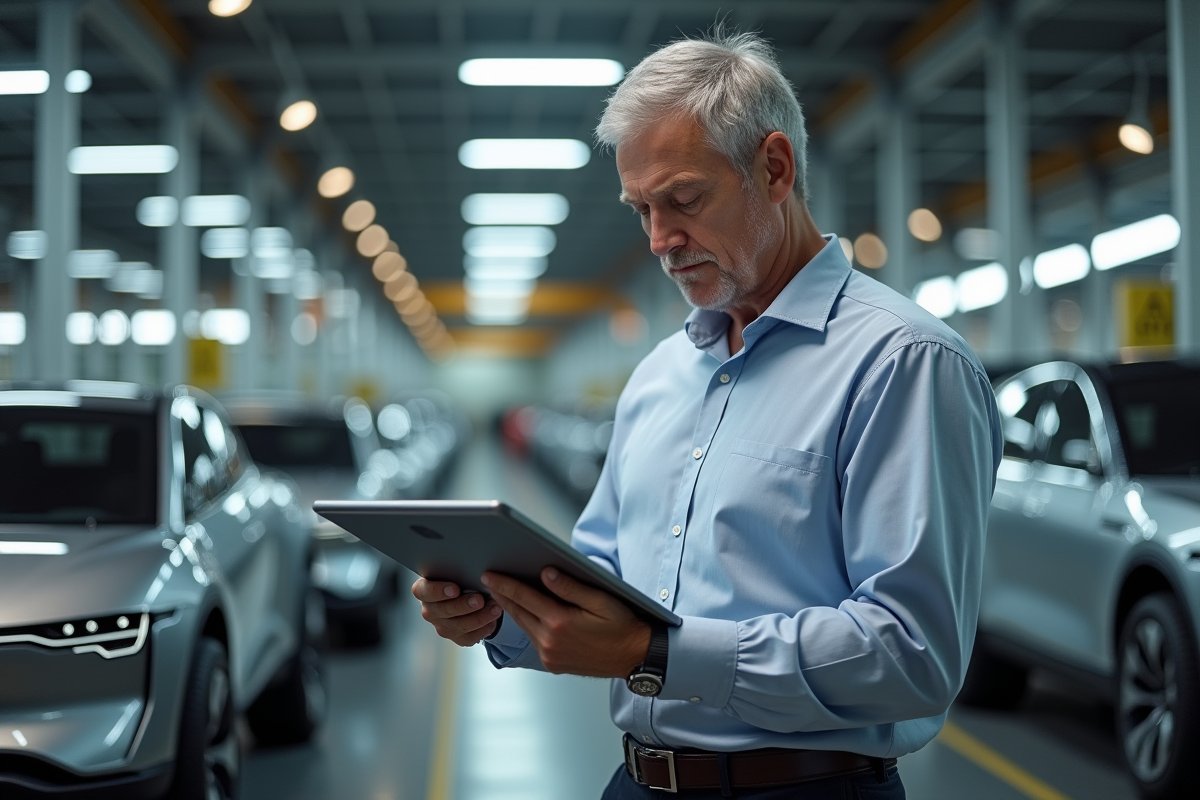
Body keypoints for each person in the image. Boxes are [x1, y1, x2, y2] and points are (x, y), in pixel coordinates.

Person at [413, 28, 1002, 799]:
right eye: (641, 209)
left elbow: (912, 654)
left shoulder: (902, 364)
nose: (661, 239)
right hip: (636, 781)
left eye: (684, 200)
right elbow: (607, 577)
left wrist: (655, 653)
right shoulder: (662, 374)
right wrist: (504, 613)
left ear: (775, 168)